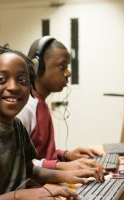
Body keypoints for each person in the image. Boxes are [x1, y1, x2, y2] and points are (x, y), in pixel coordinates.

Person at [0, 45, 104, 200]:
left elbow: (30, 169)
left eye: (22, 80)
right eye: (1, 80)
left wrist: (67, 175)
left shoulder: (17, 126)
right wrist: (19, 196)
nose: (13, 87)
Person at [17, 36, 103, 171]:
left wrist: (66, 155)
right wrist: (62, 166)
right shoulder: (25, 107)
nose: (68, 73)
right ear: (38, 68)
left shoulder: (40, 103)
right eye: (62, 66)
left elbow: (39, 155)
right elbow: (19, 163)